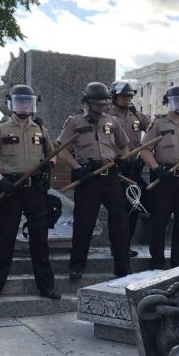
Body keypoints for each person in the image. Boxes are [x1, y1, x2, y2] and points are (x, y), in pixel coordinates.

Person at [0, 85, 59, 301]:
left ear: (33, 104)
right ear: (12, 104)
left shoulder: (41, 130)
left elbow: (53, 155)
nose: (24, 106)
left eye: (27, 101)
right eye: (20, 101)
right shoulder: (1, 129)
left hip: (36, 190)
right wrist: (0, 180)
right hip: (11, 190)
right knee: (4, 239)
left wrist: (49, 165)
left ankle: (46, 286)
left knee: (40, 240)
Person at [57, 82, 132, 280]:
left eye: (105, 104)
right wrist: (77, 168)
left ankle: (123, 267)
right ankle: (77, 266)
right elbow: (61, 149)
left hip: (110, 175)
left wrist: (122, 160)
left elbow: (124, 147)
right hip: (88, 177)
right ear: (88, 102)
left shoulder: (113, 121)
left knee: (120, 221)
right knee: (84, 223)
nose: (102, 107)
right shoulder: (75, 121)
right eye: (98, 104)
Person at [139, 86, 179, 269]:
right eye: (176, 100)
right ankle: (157, 260)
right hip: (165, 179)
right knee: (160, 221)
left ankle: (178, 261)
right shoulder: (158, 124)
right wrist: (156, 168)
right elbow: (144, 150)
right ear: (168, 103)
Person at [110, 80, 148, 256]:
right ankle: (116, 246)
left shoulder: (137, 116)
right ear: (114, 96)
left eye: (129, 96)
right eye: (123, 96)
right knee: (118, 209)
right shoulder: (107, 115)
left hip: (133, 167)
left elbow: (155, 129)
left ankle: (126, 244)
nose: (126, 99)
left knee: (134, 207)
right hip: (115, 168)